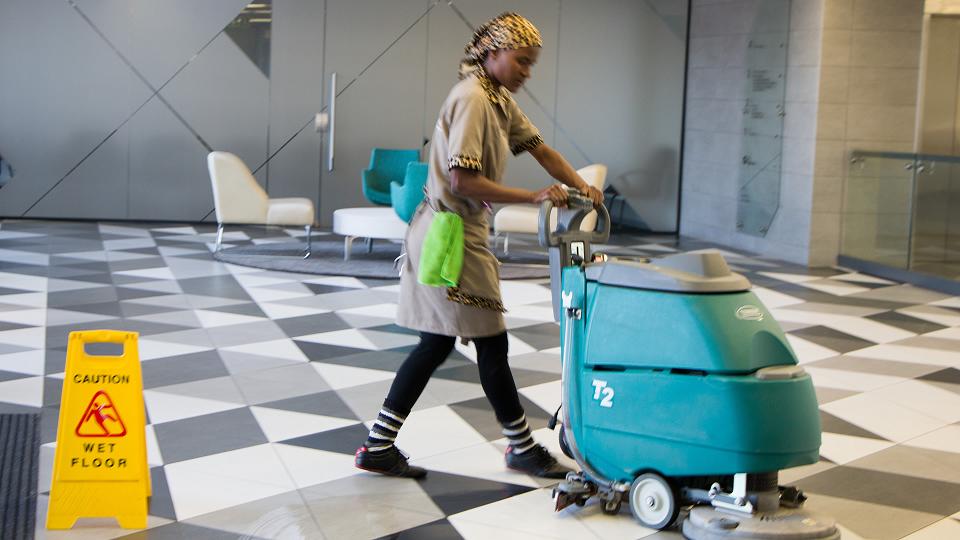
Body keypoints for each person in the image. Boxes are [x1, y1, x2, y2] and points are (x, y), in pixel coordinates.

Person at [354, 12, 603, 480]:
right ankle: (519, 448)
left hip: (458, 232)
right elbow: (462, 181)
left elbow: (541, 150)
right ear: (492, 52)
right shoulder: (472, 98)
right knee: (485, 343)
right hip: (451, 235)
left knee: (440, 343)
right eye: (521, 61)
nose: (527, 72)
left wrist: (581, 184)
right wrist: (533, 196)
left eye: (531, 64)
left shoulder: (497, 98)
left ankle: (379, 445)